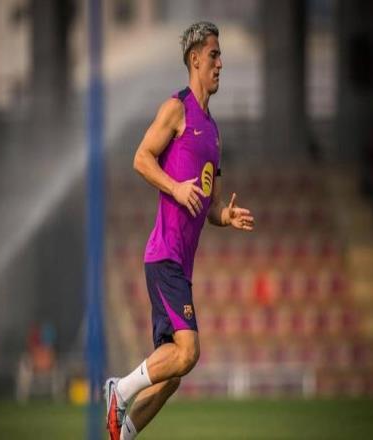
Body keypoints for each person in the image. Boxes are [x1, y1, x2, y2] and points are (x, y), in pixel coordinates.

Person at [105, 21, 254, 439]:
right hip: (164, 256)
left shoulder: (214, 131)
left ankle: (121, 433)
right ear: (195, 59)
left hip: (180, 267)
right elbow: (140, 158)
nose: (220, 64)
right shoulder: (177, 109)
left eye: (220, 56)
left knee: (171, 374)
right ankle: (120, 390)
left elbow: (208, 204)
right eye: (214, 55)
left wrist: (225, 216)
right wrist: (174, 186)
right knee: (189, 353)